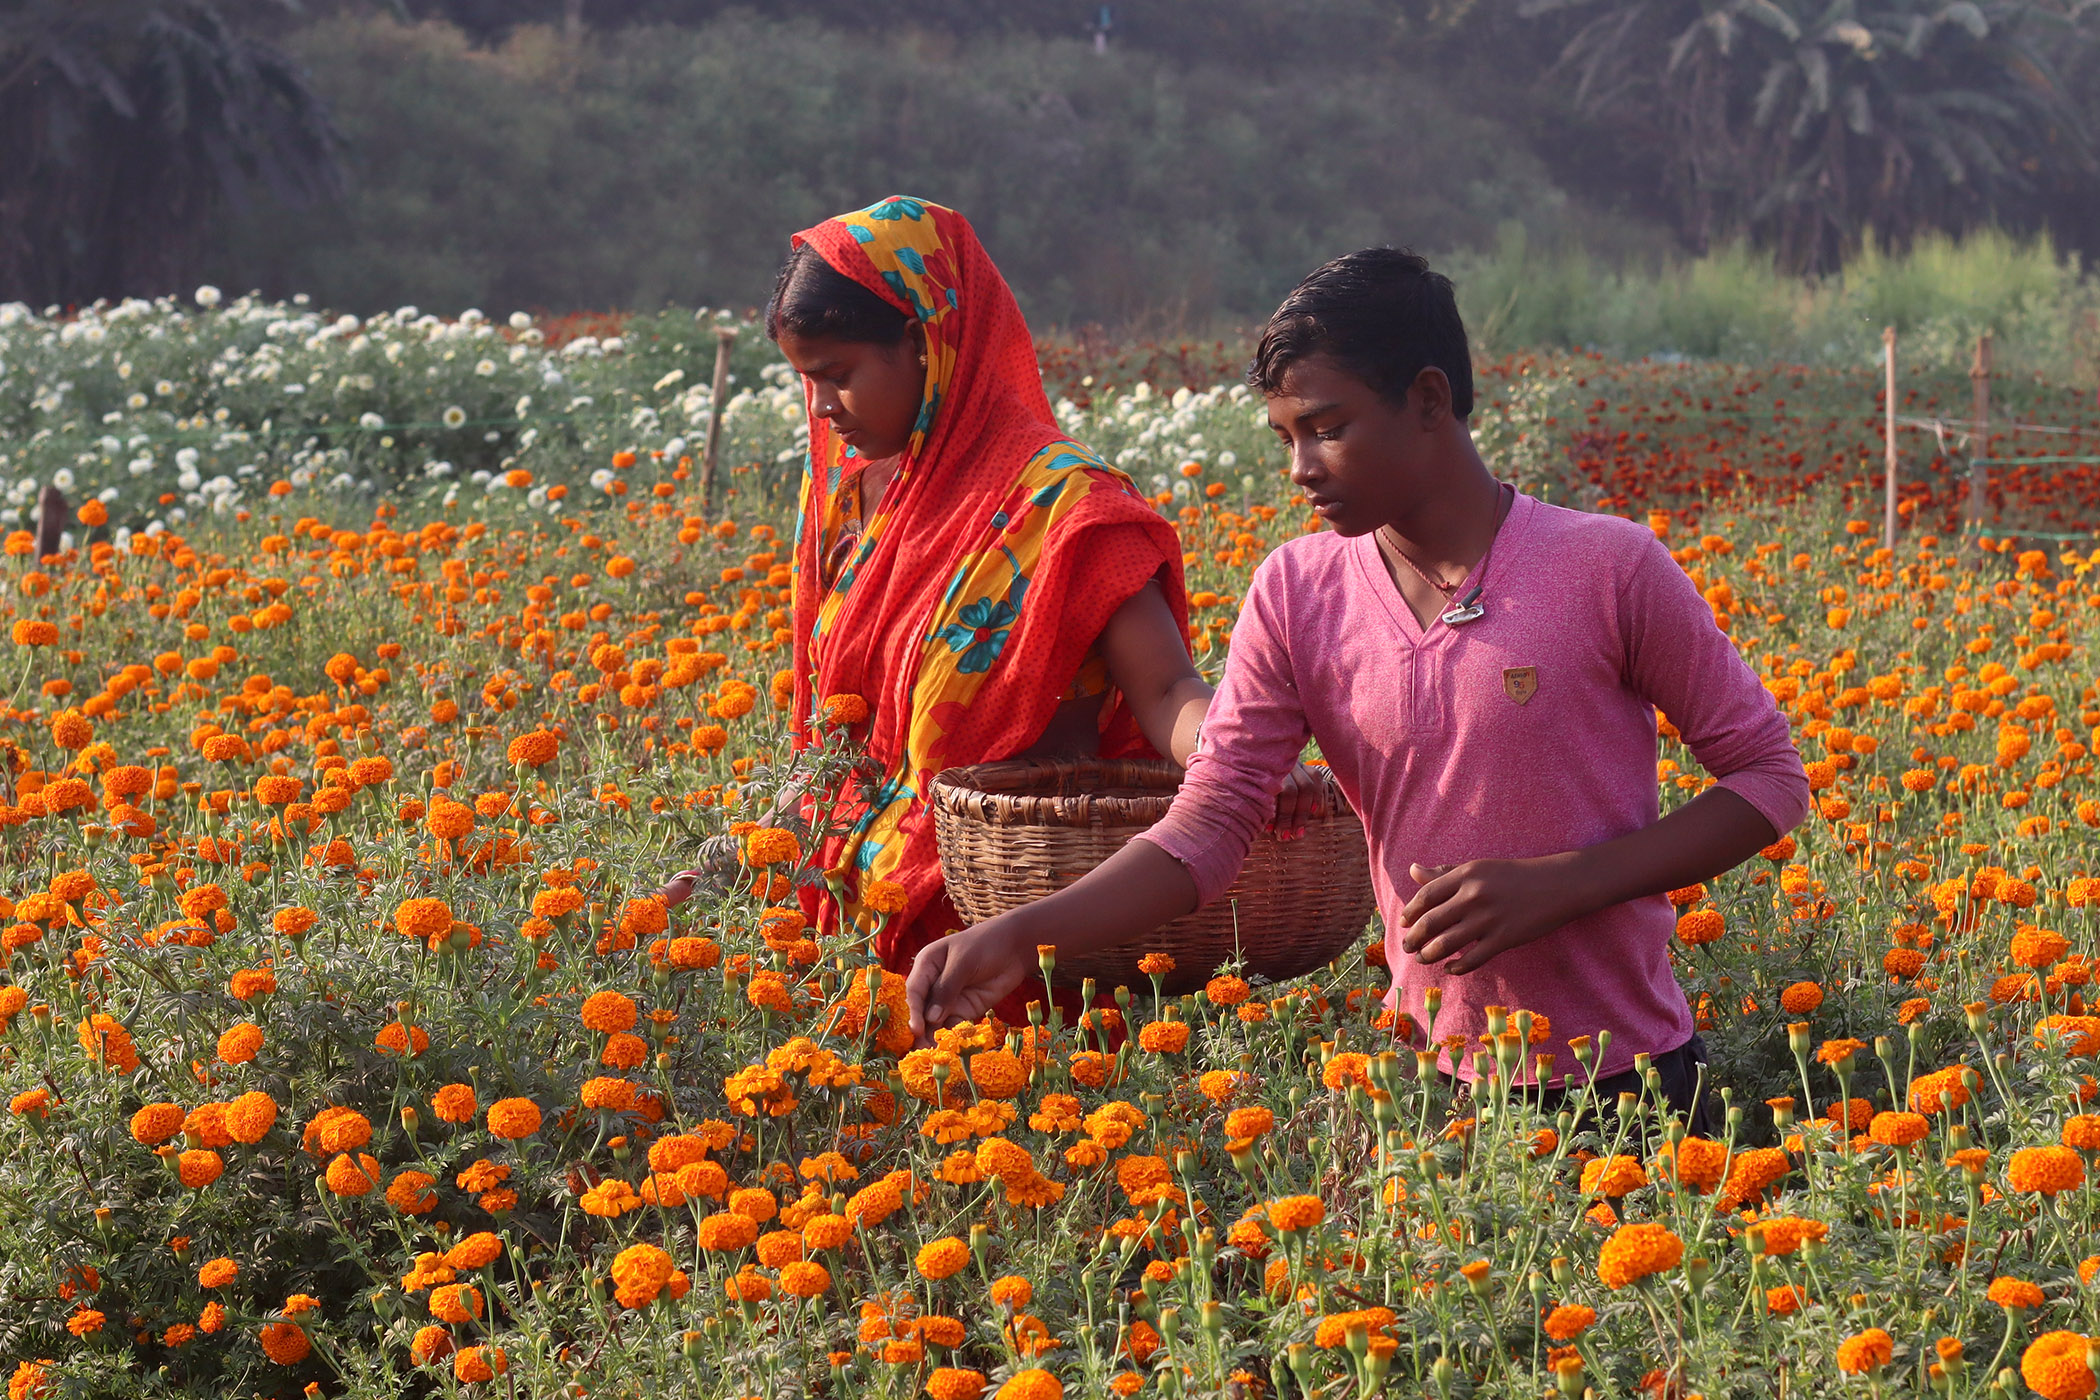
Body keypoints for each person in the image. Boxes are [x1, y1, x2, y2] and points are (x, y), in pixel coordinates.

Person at [905, 247, 1811, 1127]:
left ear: (1428, 400)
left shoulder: (1605, 567)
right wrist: (1023, 934)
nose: (1301, 467)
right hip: (1438, 1091)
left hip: (1633, 1086)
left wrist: (1565, 885)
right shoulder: (1298, 593)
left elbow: (1769, 778)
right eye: (1286, 436)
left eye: (1328, 428)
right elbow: (1210, 826)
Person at [659, 197, 1318, 1016]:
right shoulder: (854, 499)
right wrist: (732, 864)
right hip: (837, 931)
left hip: (997, 945)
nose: (821, 406)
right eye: (807, 378)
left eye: (838, 374)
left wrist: (1240, 760)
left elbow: (1162, 691)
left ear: (923, 340)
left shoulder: (1062, 505)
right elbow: (840, 742)